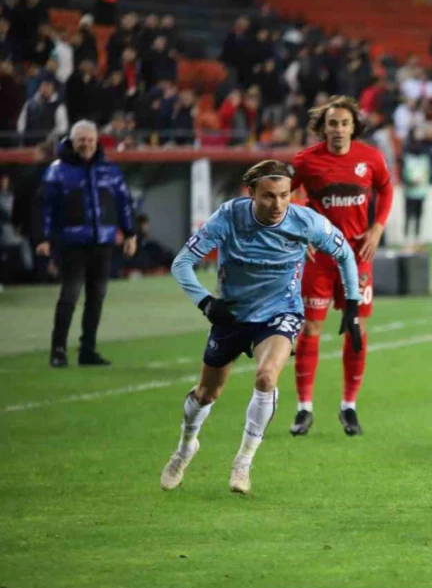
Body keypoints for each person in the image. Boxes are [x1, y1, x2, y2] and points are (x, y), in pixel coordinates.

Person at [161, 160, 363, 495]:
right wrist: (206, 303)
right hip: (232, 315)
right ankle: (185, 448)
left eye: (284, 195)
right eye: (269, 196)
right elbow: (181, 262)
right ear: (251, 192)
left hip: (280, 312)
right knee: (206, 394)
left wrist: (352, 305)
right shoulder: (228, 216)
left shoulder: (306, 221)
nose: (278, 204)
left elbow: (345, 254)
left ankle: (243, 461)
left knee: (266, 377)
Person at [289, 95, 394, 437]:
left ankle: (349, 406)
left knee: (356, 331)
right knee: (310, 330)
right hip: (319, 258)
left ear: (353, 127)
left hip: (357, 257)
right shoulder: (307, 161)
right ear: (323, 127)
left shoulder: (370, 158)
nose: (338, 129)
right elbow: (282, 194)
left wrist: (377, 228)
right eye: (332, 123)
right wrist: (297, 234)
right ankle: (304, 408)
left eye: (344, 123)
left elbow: (386, 189)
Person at [33, 121, 136, 367]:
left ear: (97, 141)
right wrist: (42, 238)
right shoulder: (57, 171)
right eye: (82, 139)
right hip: (71, 243)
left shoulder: (110, 170)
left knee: (96, 297)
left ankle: (87, 351)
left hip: (102, 243)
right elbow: (43, 207)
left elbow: (123, 203)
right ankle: (58, 350)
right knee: (69, 296)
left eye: (90, 139)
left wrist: (130, 234)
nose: (86, 143)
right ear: (72, 141)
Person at [402, 124, 432, 246]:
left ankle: (417, 237)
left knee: (418, 215)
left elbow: (426, 172)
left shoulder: (424, 158)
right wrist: (410, 181)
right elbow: (405, 174)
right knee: (409, 215)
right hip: (410, 191)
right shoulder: (408, 158)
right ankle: (407, 238)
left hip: (420, 190)